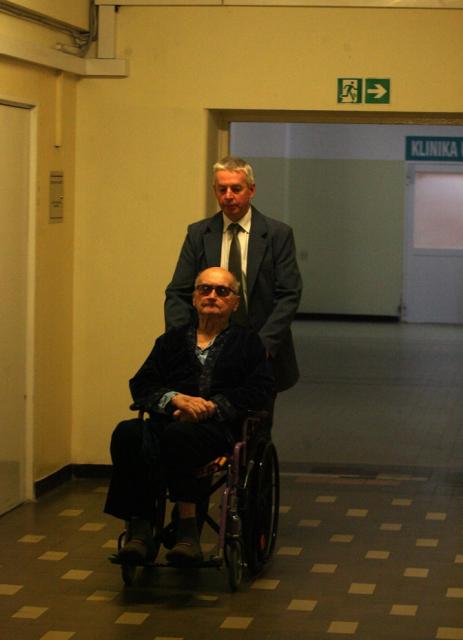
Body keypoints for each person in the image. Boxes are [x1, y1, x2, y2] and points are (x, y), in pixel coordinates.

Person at [104, 267, 274, 566]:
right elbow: (142, 383)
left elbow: (259, 389)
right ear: (194, 298)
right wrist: (174, 399)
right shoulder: (170, 341)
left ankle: (187, 533)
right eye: (204, 289)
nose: (212, 296)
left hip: (216, 431)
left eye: (222, 291)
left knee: (180, 436)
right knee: (127, 433)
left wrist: (212, 406)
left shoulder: (248, 343)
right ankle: (140, 531)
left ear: (235, 303)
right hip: (168, 421)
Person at [164, 156, 302, 393]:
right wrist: (184, 343)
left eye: (236, 189)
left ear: (251, 190)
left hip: (261, 348)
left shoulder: (277, 234)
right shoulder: (199, 234)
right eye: (222, 189)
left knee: (255, 414)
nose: (228, 196)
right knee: (207, 412)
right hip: (208, 348)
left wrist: (264, 345)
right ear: (215, 191)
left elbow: (289, 294)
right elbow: (178, 293)